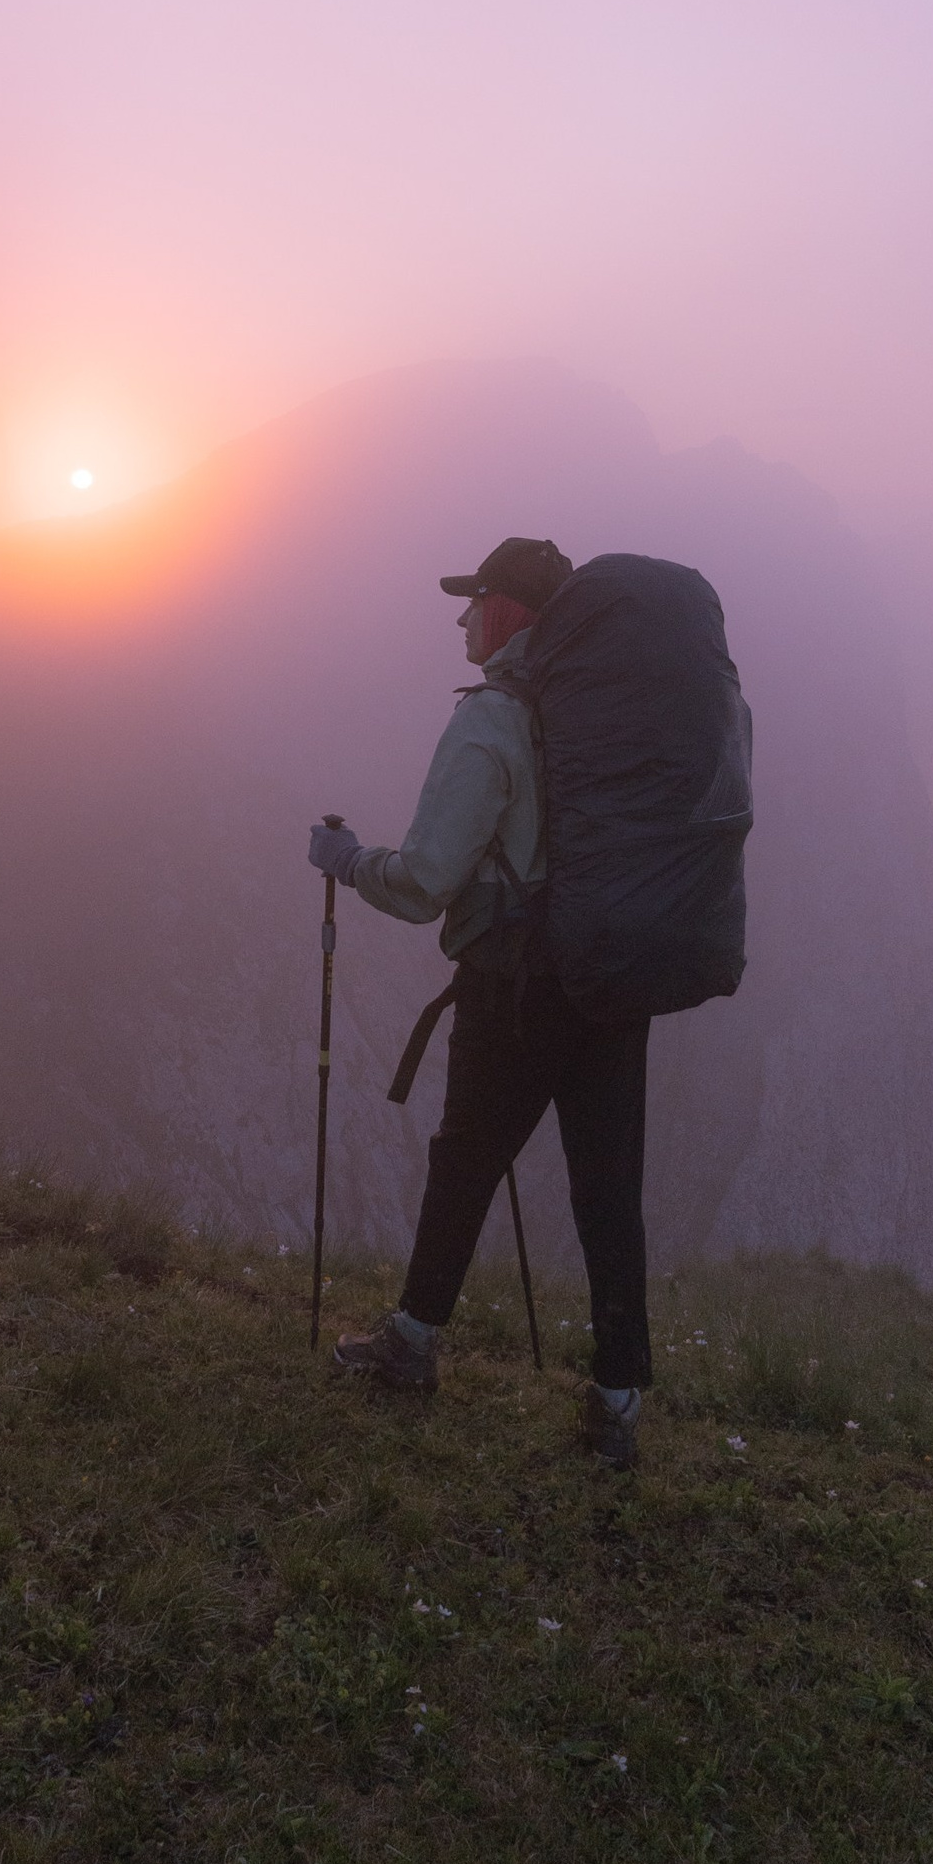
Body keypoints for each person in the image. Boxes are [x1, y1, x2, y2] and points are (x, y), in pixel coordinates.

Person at [308, 534, 653, 1471]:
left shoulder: (493, 721)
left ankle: (412, 1343)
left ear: (506, 613)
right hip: (615, 982)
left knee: (465, 1162)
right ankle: (617, 1402)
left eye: (475, 601)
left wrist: (348, 861)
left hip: (516, 988)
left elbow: (427, 880)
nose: (462, 618)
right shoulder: (611, 712)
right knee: (608, 1190)